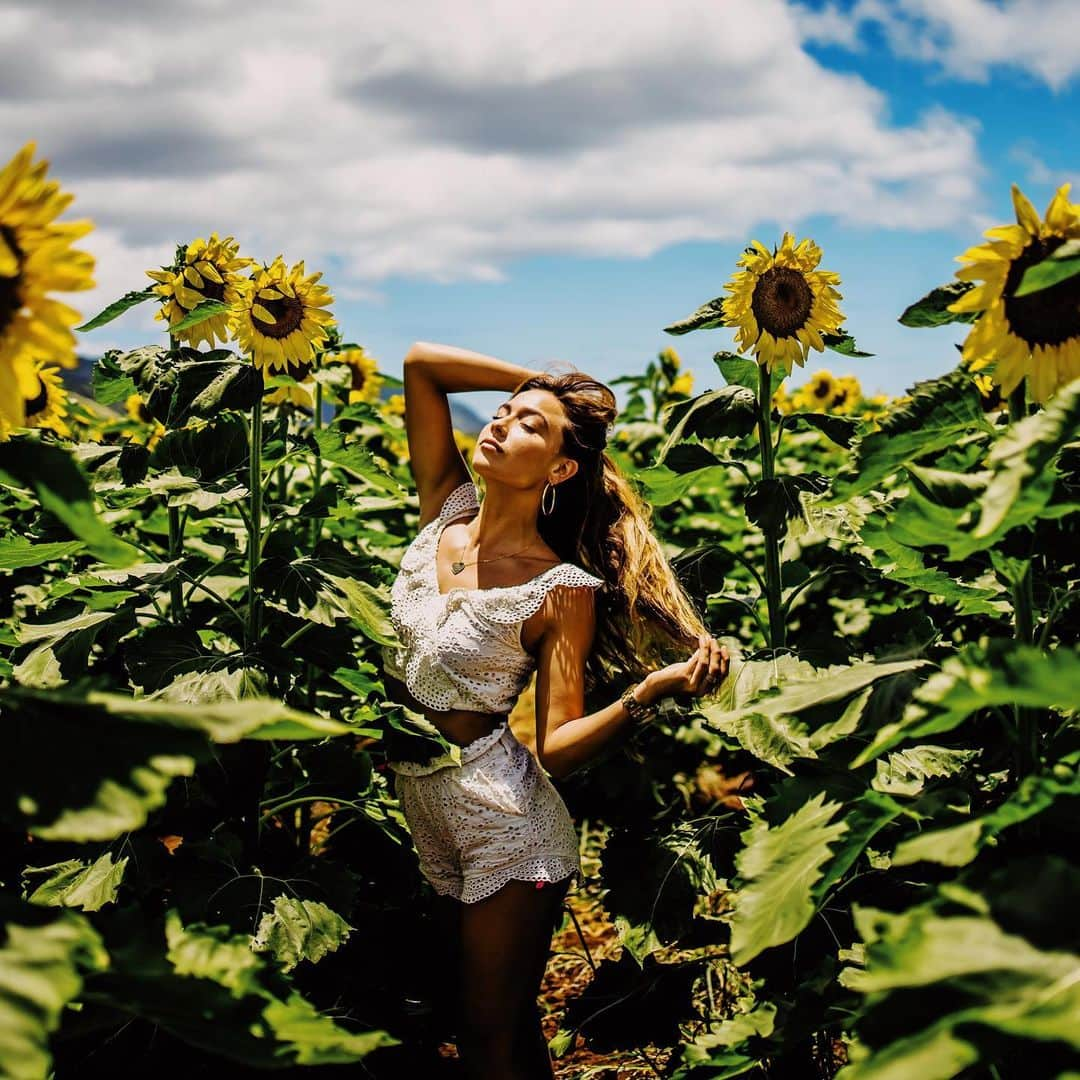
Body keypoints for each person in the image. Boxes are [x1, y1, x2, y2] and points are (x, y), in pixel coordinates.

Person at [379, 341, 729, 1079]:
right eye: (502, 413)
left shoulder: (560, 587)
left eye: (529, 426)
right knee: (493, 1028)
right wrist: (543, 388)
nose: (502, 423)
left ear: (560, 468)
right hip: (424, 805)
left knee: (484, 1034)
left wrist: (652, 689)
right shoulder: (443, 511)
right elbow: (420, 366)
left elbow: (560, 745)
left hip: (508, 828)